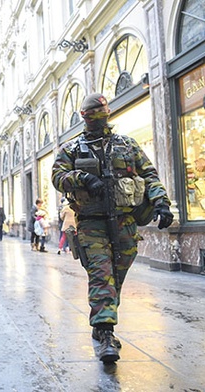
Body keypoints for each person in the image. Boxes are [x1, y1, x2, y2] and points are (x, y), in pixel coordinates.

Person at [52, 92, 173, 364]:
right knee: (101, 274)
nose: (100, 118)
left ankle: (101, 321)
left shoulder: (126, 144)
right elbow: (58, 178)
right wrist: (82, 178)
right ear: (85, 117)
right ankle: (106, 334)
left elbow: (148, 174)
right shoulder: (71, 149)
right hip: (91, 223)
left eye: (103, 112)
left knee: (116, 276)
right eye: (95, 114)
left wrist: (161, 204)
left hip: (125, 221)